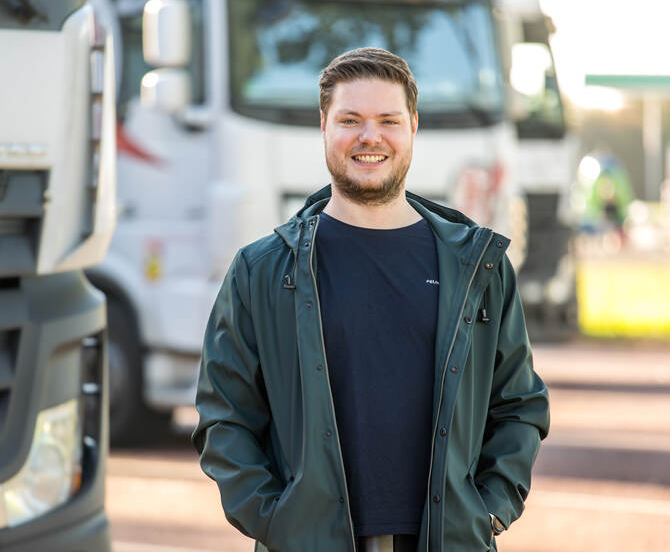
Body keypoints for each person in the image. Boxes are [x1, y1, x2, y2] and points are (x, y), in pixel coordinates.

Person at [192, 47, 550, 552]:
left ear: (413, 127)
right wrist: (276, 521)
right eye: (350, 120)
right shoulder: (262, 270)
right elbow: (225, 415)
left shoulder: (478, 268)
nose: (370, 136)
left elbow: (519, 405)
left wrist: (488, 511)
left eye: (388, 120)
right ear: (324, 125)